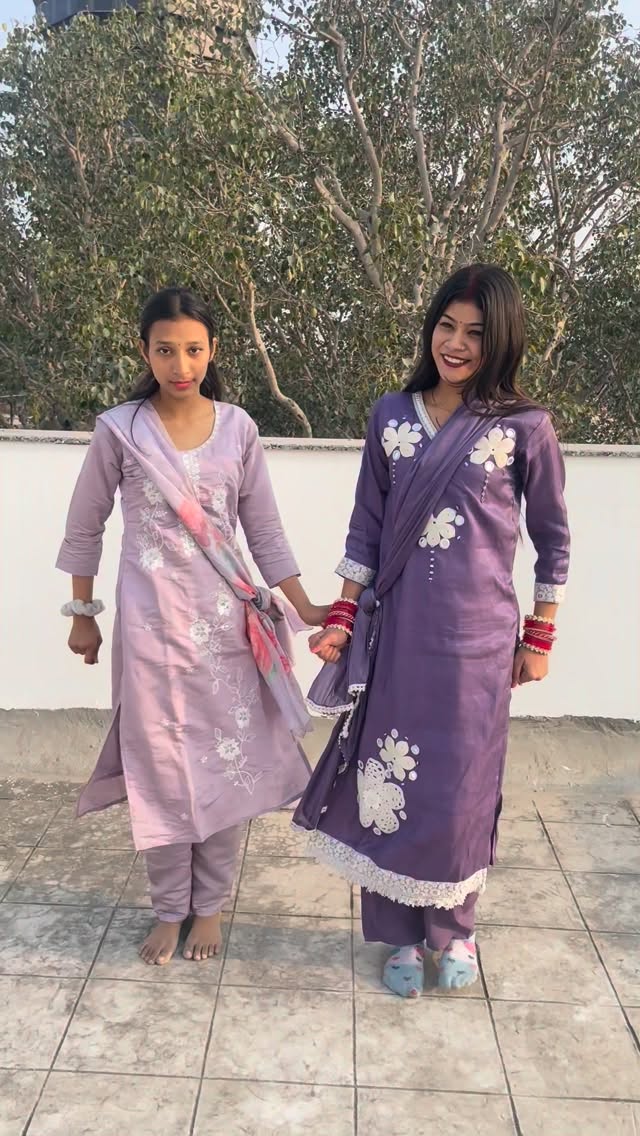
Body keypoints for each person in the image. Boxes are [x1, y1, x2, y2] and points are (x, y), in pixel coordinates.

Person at [294, 264, 570, 998]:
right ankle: (399, 937)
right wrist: (343, 617)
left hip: (478, 649)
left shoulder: (525, 428)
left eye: (475, 333)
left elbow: (553, 540)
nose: (456, 343)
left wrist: (539, 637)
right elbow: (366, 526)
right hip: (396, 641)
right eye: (446, 326)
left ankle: (455, 931)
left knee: (460, 793)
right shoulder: (391, 415)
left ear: (501, 340)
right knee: (386, 782)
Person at [58, 286, 328, 966]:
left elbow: (263, 529)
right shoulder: (120, 429)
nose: (180, 365)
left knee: (222, 767)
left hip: (225, 634)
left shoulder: (238, 429)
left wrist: (304, 606)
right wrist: (83, 616)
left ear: (213, 351)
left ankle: (208, 908)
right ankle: (168, 908)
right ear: (144, 351)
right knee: (159, 771)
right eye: (165, 350)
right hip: (149, 633)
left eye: (193, 349)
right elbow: (85, 525)